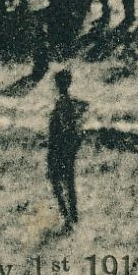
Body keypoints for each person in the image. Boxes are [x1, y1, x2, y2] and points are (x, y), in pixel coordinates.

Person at [47, 68, 85, 232]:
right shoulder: (70, 104)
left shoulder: (62, 104)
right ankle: (72, 215)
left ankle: (67, 215)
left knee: (58, 183)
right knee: (68, 183)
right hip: (67, 149)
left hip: (58, 149)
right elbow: (78, 130)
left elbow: (60, 129)